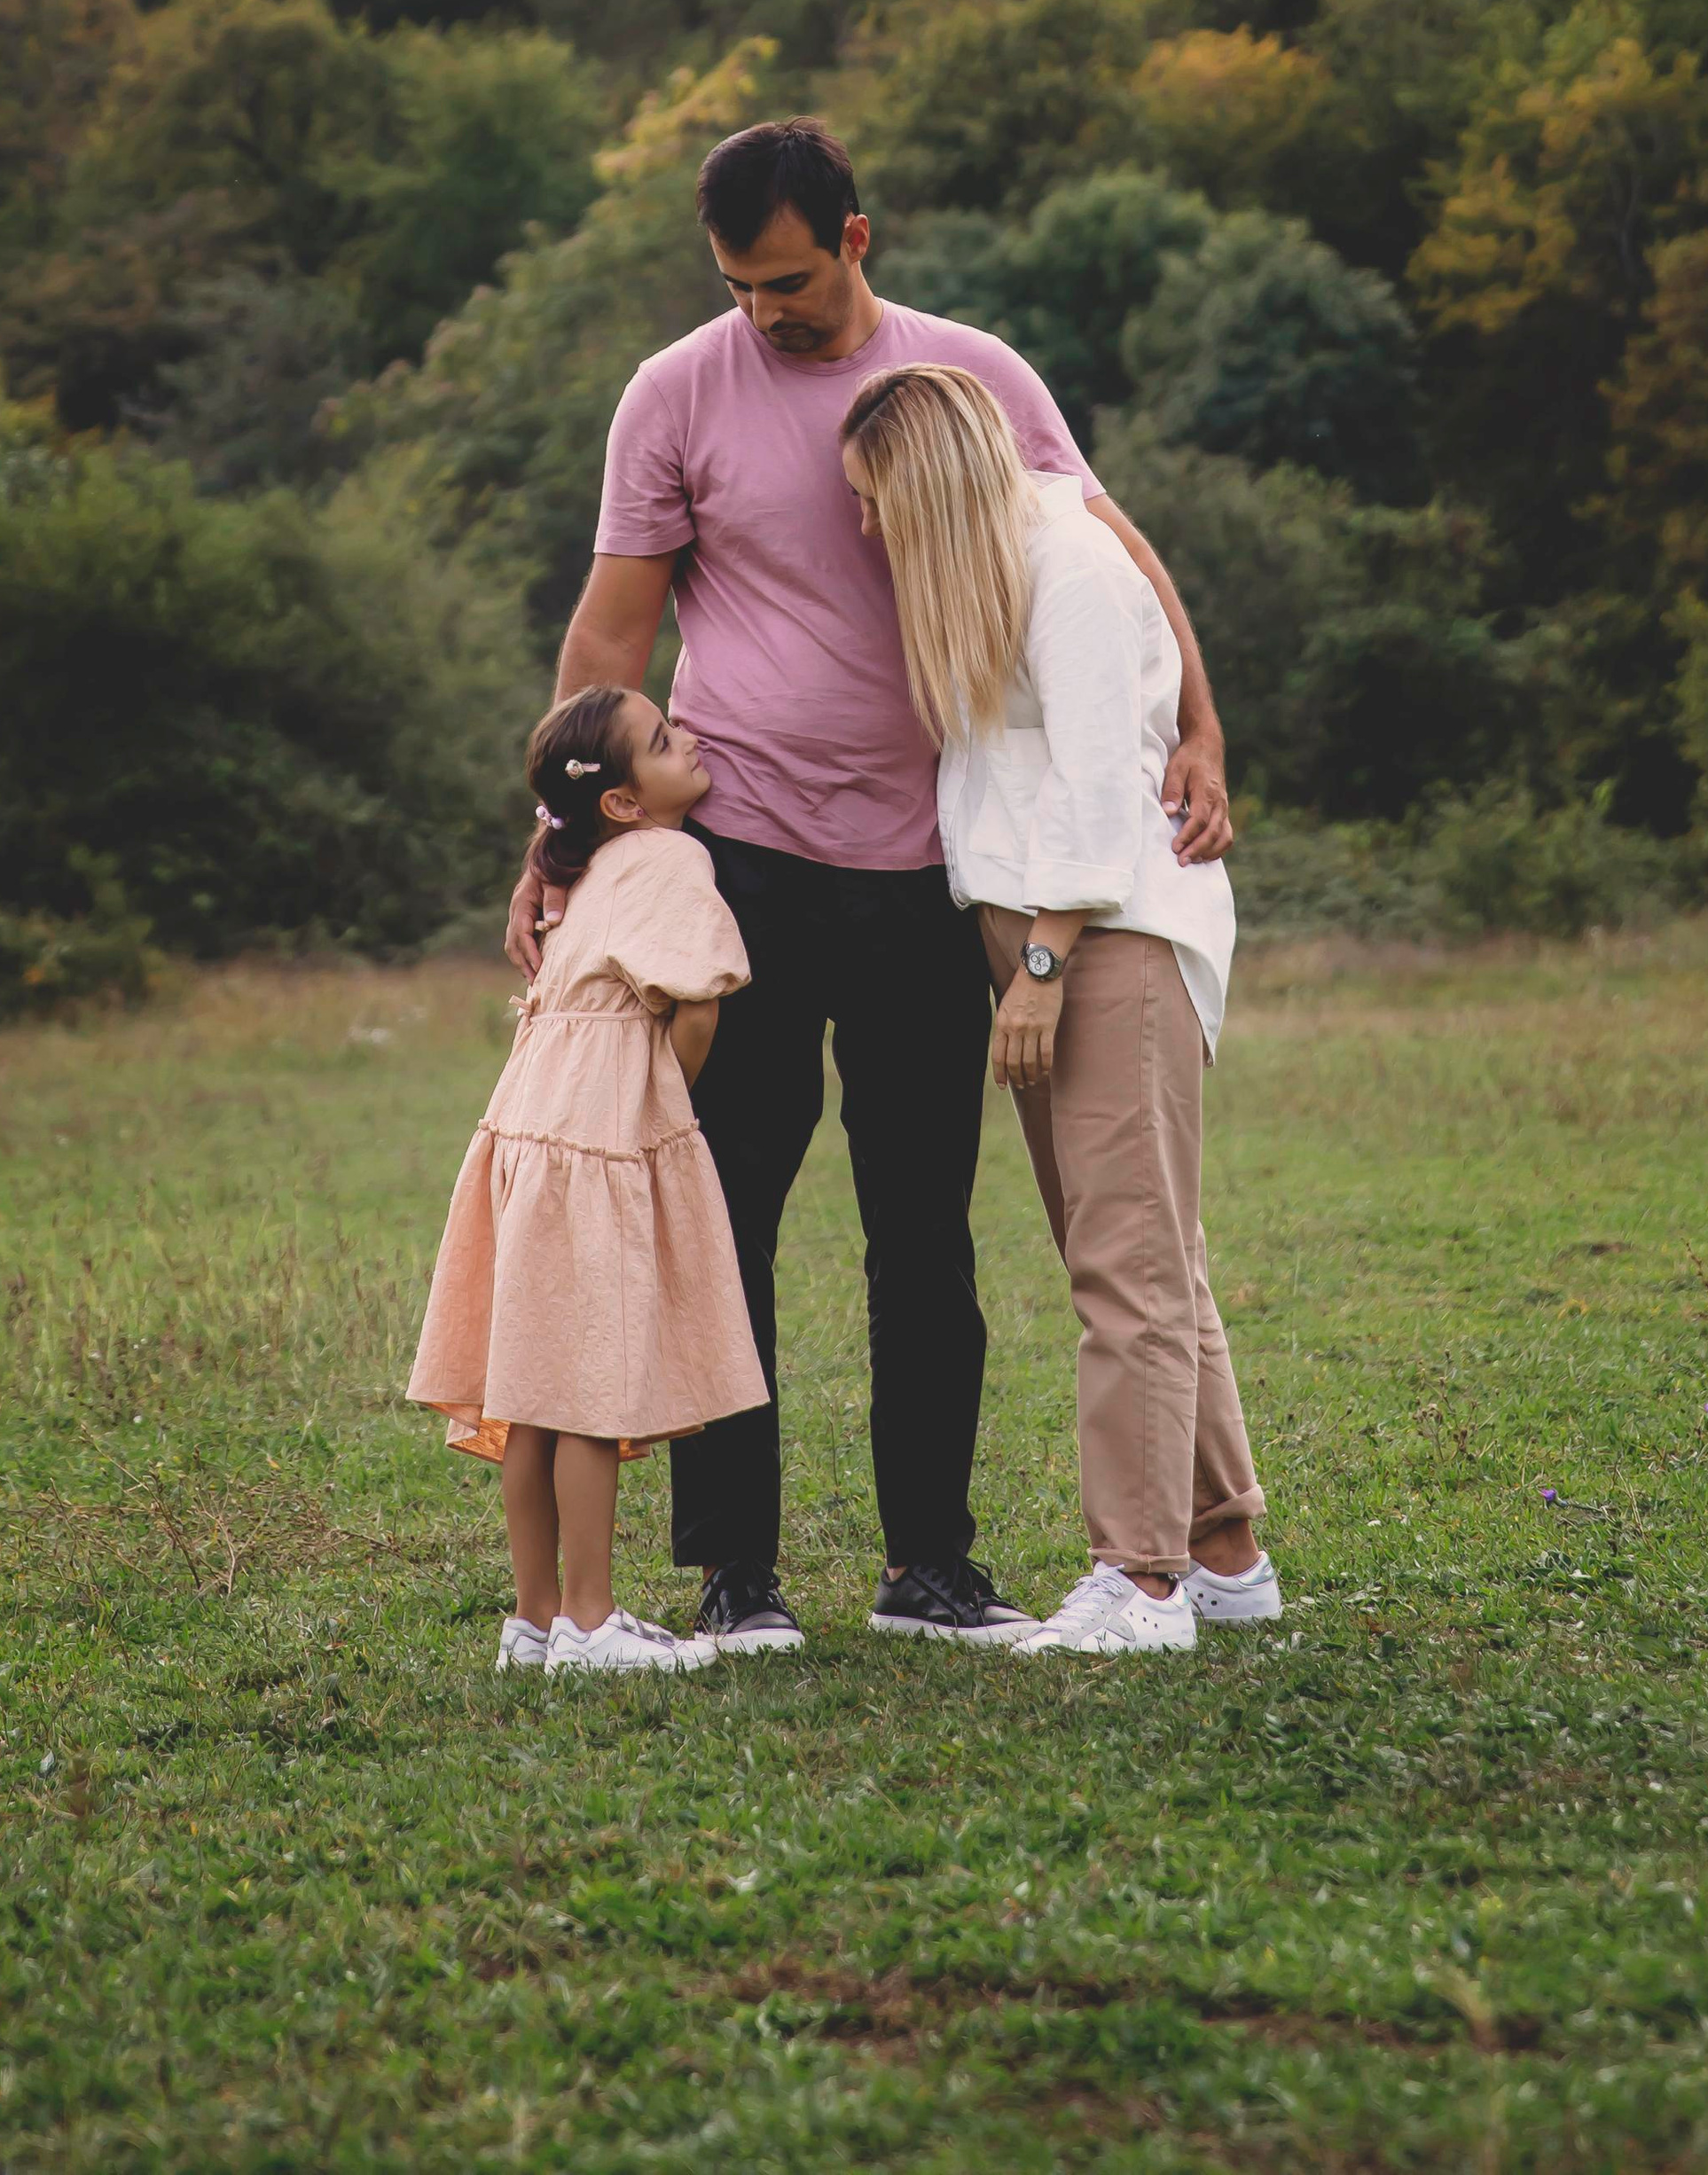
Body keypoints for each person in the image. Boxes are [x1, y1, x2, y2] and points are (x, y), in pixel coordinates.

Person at [505, 117, 1233, 1655]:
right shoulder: (674, 396)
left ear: (857, 239)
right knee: (726, 1215)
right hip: (741, 864)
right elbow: (608, 638)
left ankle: (933, 1567)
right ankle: (735, 1576)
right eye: (737, 285)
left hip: (931, 869)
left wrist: (1207, 723)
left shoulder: (969, 379)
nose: (767, 313)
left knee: (926, 1224)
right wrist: (565, 848)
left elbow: (1109, 553)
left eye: (789, 281)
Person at [839, 361, 1281, 1658]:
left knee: (1124, 1262)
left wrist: (1040, 968)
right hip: (1053, 933)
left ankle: (1138, 1581)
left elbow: (1100, 783)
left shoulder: (1073, 569)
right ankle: (1223, 1549)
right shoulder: (998, 575)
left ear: (928, 480)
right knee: (1137, 1248)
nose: (870, 528)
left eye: (877, 501)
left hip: (1107, 940)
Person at [410, 685, 764, 1674]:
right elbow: (695, 1008)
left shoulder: (594, 866)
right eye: (663, 739)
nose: (687, 737)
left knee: (528, 1384)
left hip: (526, 1120)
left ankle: (534, 1622)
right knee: (588, 1384)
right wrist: (659, 1108)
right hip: (598, 1131)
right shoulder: (672, 855)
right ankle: (594, 1620)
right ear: (621, 798)